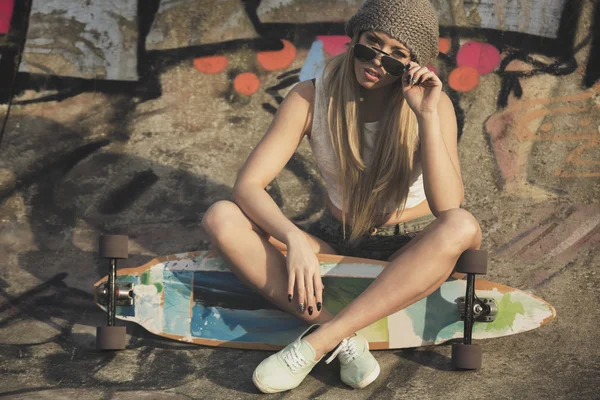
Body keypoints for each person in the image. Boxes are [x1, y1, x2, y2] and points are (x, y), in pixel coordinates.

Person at [201, 0, 482, 393]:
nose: (377, 62)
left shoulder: (433, 108)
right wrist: (293, 237)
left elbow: (447, 206)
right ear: (355, 39)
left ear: (413, 65)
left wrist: (427, 116)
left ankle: (318, 341)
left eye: (397, 56)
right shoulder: (310, 98)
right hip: (340, 239)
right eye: (371, 45)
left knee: (462, 225)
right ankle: (346, 337)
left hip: (415, 246)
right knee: (221, 216)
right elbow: (248, 186)